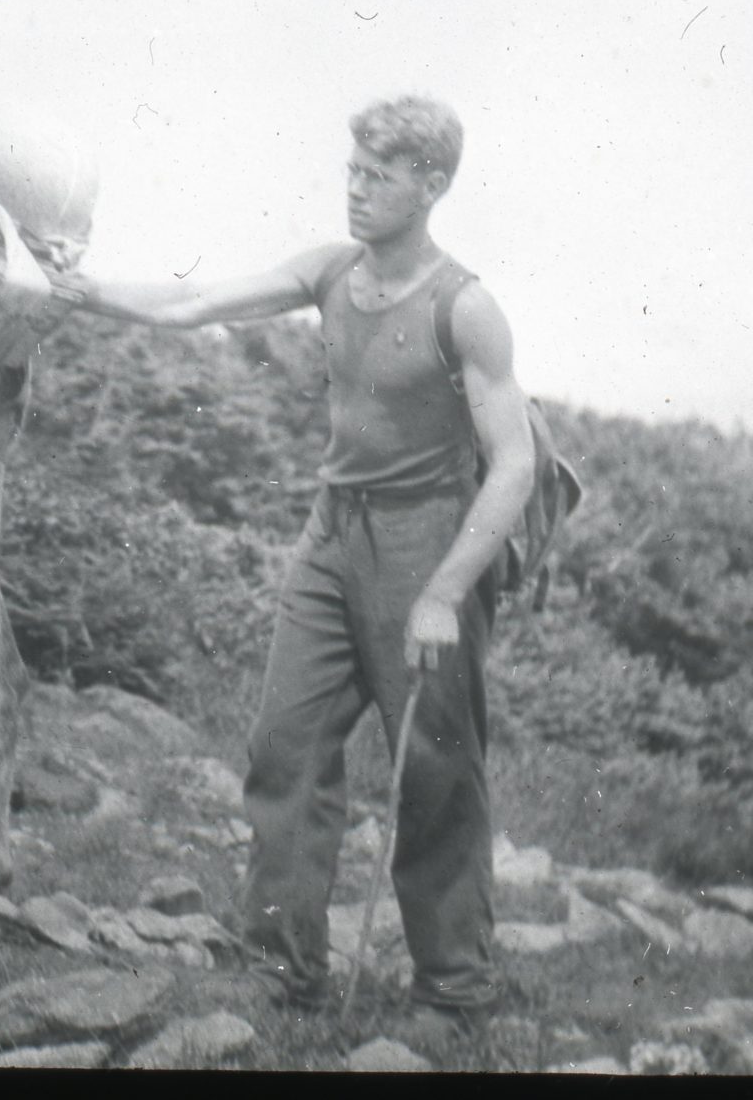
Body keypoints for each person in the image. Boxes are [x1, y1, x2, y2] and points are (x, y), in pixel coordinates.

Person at [72, 94, 534, 1027]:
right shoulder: (331, 270)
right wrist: (80, 287)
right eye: (352, 171)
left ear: (432, 186)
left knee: (437, 771)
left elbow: (516, 464)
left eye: (380, 176)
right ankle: (281, 969)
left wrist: (446, 591)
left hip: (428, 543)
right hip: (332, 536)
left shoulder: (465, 307)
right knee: (285, 744)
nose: (356, 190)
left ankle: (454, 989)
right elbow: (200, 302)